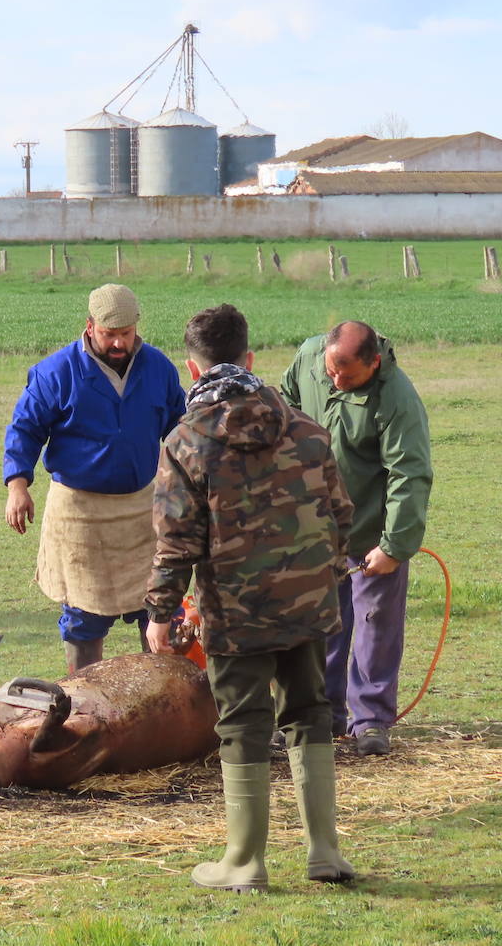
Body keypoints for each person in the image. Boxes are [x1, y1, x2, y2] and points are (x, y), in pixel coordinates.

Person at [145, 303, 356, 892]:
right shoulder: (307, 429)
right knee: (310, 713)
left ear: (192, 369)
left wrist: (161, 614)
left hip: (236, 615)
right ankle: (324, 853)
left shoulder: (186, 443)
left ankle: (245, 861)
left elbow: (175, 542)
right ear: (250, 359)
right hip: (310, 606)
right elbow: (341, 516)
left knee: (242, 724)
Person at [3, 284, 185, 673]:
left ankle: (165, 701)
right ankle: (83, 701)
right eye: (109, 333)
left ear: (137, 327)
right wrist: (17, 484)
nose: (119, 342)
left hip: (142, 508)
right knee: (83, 618)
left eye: (126, 333)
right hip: (80, 514)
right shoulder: (56, 372)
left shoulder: (159, 369)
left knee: (157, 608)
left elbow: (181, 430)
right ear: (90, 327)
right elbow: (25, 429)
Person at [281, 320, 433, 757]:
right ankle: (320, 713)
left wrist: (393, 546)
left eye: (347, 375)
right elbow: (286, 404)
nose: (336, 380)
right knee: (321, 624)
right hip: (313, 525)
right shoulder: (309, 357)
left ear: (375, 362)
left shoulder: (397, 399)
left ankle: (369, 720)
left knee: (374, 626)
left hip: (368, 531)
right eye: (331, 370)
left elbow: (409, 474)